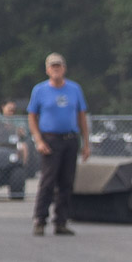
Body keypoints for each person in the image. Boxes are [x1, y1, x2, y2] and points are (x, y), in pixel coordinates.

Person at [26, 52, 90, 236]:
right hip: (50, 140)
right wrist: (38, 140)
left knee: (66, 182)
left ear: (64, 68)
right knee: (48, 181)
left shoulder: (74, 89)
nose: (56, 69)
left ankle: (61, 221)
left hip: (70, 139)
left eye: (59, 66)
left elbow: (81, 116)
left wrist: (86, 143)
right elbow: (32, 117)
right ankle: (40, 220)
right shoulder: (40, 90)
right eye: (53, 66)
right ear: (47, 70)